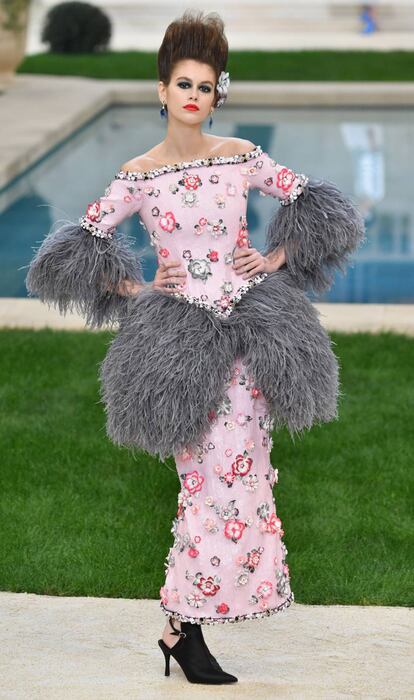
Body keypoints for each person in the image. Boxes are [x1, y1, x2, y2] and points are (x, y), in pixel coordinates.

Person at [25, 9, 365, 685]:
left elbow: (322, 209)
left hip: (249, 340)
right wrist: (141, 285)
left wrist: (274, 258)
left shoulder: (240, 157)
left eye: (205, 86)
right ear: (161, 89)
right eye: (182, 82)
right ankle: (183, 625)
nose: (192, 96)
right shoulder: (138, 175)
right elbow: (73, 255)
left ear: (218, 94)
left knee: (243, 481)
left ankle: (184, 629)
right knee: (202, 484)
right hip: (179, 347)